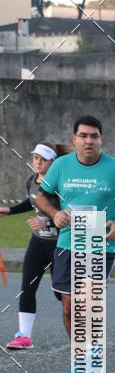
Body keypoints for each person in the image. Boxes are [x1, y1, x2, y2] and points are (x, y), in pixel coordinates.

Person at [36, 116, 115, 373]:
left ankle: (91, 354)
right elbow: (42, 197)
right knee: (69, 306)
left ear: (100, 139)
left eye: (94, 136)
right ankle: (81, 354)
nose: (88, 141)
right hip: (67, 244)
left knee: (87, 303)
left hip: (100, 246)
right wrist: (54, 214)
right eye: (83, 136)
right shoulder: (61, 166)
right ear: (74, 139)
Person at [1, 141, 73, 349]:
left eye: (43, 159)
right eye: (35, 158)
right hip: (38, 242)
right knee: (27, 287)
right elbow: (31, 201)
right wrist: (10, 210)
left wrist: (48, 221)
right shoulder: (31, 180)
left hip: (60, 244)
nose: (38, 162)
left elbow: (68, 213)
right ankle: (24, 337)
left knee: (61, 294)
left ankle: (84, 323)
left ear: (53, 162)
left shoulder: (60, 185)